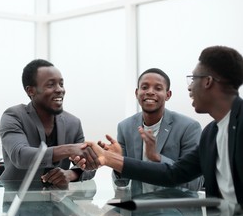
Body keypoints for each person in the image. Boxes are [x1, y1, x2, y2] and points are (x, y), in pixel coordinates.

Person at [78, 45, 243, 204]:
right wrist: (112, 159)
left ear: (207, 82)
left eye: (193, 79)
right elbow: (174, 174)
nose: (190, 88)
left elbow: (193, 183)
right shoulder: (211, 133)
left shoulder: (205, 127)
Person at [0, 59, 97, 188]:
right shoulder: (13, 116)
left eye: (61, 84)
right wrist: (69, 149)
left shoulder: (73, 123)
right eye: (50, 85)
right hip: (18, 201)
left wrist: (70, 174)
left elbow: (88, 165)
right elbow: (20, 156)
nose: (59, 90)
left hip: (58, 203)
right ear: (30, 91)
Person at [111, 68, 204, 194]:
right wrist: (116, 162)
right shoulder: (125, 127)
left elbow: (195, 184)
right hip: (139, 206)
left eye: (158, 88)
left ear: (168, 95)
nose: (150, 92)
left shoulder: (189, 127)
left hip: (176, 208)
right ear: (137, 93)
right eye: (144, 87)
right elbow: (122, 183)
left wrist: (158, 157)